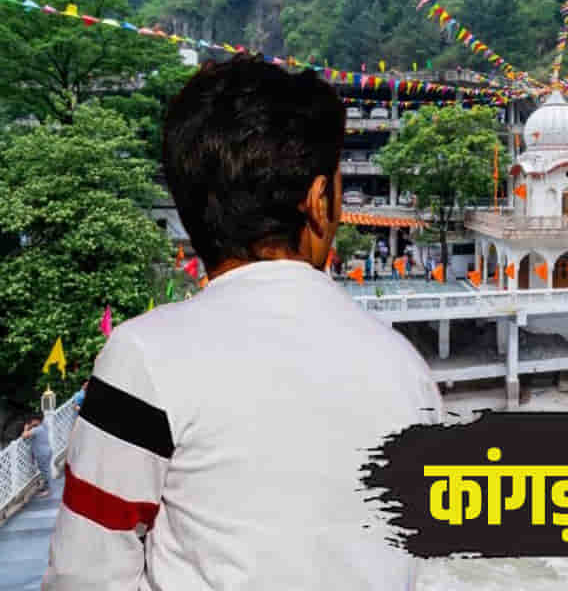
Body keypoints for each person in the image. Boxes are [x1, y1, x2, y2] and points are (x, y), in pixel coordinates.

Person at [46, 57, 442, 590]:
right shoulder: (406, 370)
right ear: (320, 203)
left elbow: (83, 577)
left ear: (189, 210)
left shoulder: (144, 358)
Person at [23, 415, 52, 495]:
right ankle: (46, 487)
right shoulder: (44, 426)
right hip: (47, 451)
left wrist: (26, 428)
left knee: (45, 471)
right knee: (46, 470)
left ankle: (48, 490)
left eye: (33, 420)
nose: (31, 422)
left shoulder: (37, 429)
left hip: (41, 453)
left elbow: (24, 436)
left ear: (37, 421)